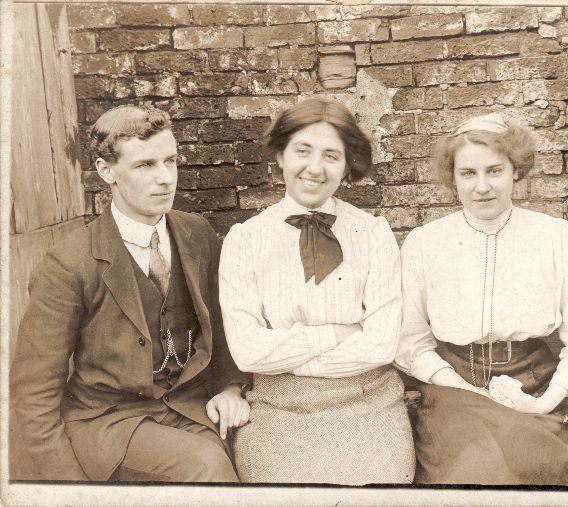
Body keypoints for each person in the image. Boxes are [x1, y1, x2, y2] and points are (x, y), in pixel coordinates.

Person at [10, 105, 251, 482]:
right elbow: (33, 393)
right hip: (109, 421)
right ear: (107, 171)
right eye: (144, 165)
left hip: (188, 408)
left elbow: (222, 329)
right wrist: (71, 489)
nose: (165, 178)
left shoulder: (197, 234)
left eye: (170, 161)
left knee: (262, 452)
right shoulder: (68, 263)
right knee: (207, 465)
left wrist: (232, 388)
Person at [394, 112, 568, 485]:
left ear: (516, 171)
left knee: (530, 467)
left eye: (494, 171)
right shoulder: (424, 243)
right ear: (453, 177)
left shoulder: (556, 237)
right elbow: (410, 340)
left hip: (535, 384)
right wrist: (468, 390)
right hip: (454, 388)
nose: (482, 187)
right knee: (474, 472)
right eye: (468, 173)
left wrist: (546, 401)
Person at [218, 98, 415, 485]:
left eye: (331, 155)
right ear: (280, 155)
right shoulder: (245, 240)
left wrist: (287, 355)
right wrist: (337, 334)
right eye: (302, 151)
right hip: (278, 405)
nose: (315, 168)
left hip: (368, 401)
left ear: (347, 165)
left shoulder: (373, 233)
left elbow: (381, 346)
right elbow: (248, 351)